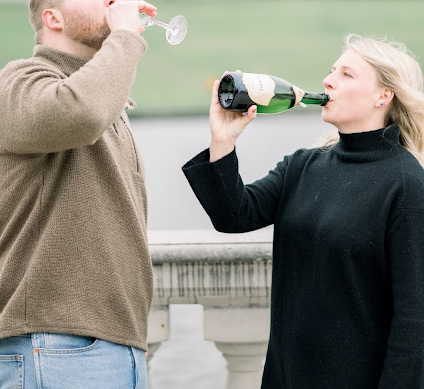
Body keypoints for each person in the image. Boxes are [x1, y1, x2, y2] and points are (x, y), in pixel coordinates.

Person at [182, 34, 424, 389]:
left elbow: (414, 318)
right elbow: (234, 216)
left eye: (347, 75)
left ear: (383, 96)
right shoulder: (304, 165)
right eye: (332, 71)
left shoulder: (406, 184)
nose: (328, 80)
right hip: (286, 376)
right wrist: (223, 140)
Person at [0, 0, 157, 389]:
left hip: (110, 346)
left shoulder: (106, 99)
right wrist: (124, 36)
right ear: (53, 18)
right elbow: (79, 112)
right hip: (52, 344)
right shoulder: (20, 80)